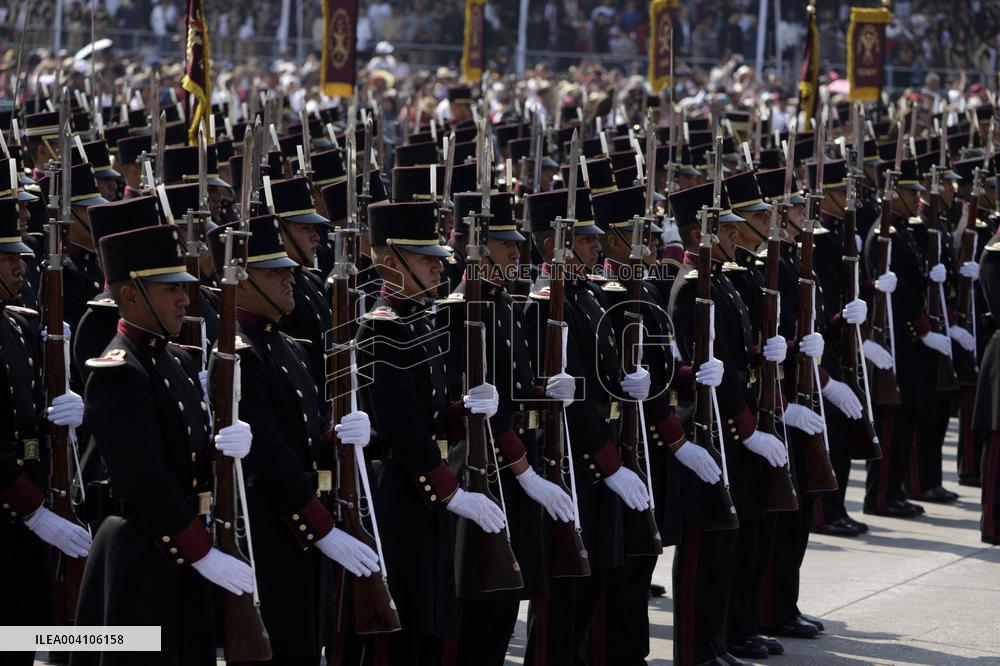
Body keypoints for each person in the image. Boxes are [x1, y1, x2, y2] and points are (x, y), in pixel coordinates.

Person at [73, 224, 254, 666]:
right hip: (142, 557)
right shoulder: (118, 371)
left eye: (184, 288)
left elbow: (183, 453)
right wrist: (201, 551)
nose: (184, 300)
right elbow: (145, 479)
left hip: (179, 555)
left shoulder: (174, 358)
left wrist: (222, 446)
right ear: (131, 295)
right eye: (170, 288)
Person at [207, 215, 379, 664]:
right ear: (240, 281)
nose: (290, 277)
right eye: (273, 271)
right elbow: (270, 456)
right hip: (272, 531)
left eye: (288, 268)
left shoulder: (290, 346)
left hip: (304, 532)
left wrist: (339, 434)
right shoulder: (238, 355)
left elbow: (304, 438)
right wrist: (319, 527)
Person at [355, 199, 504, 665]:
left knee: (433, 625)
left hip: (428, 495)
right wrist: (451, 491)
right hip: (401, 494)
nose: (440, 269)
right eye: (427, 259)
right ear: (391, 262)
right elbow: (400, 427)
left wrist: (464, 411)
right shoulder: (381, 330)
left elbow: (430, 414)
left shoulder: (422, 318)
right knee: (402, 633)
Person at [0, 197, 90, 666]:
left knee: (22, 640)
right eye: (10, 259)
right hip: (14, 510)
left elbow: (23, 413)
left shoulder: (14, 326)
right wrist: (35, 512)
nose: (21, 268)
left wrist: (61, 411)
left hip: (25, 517)